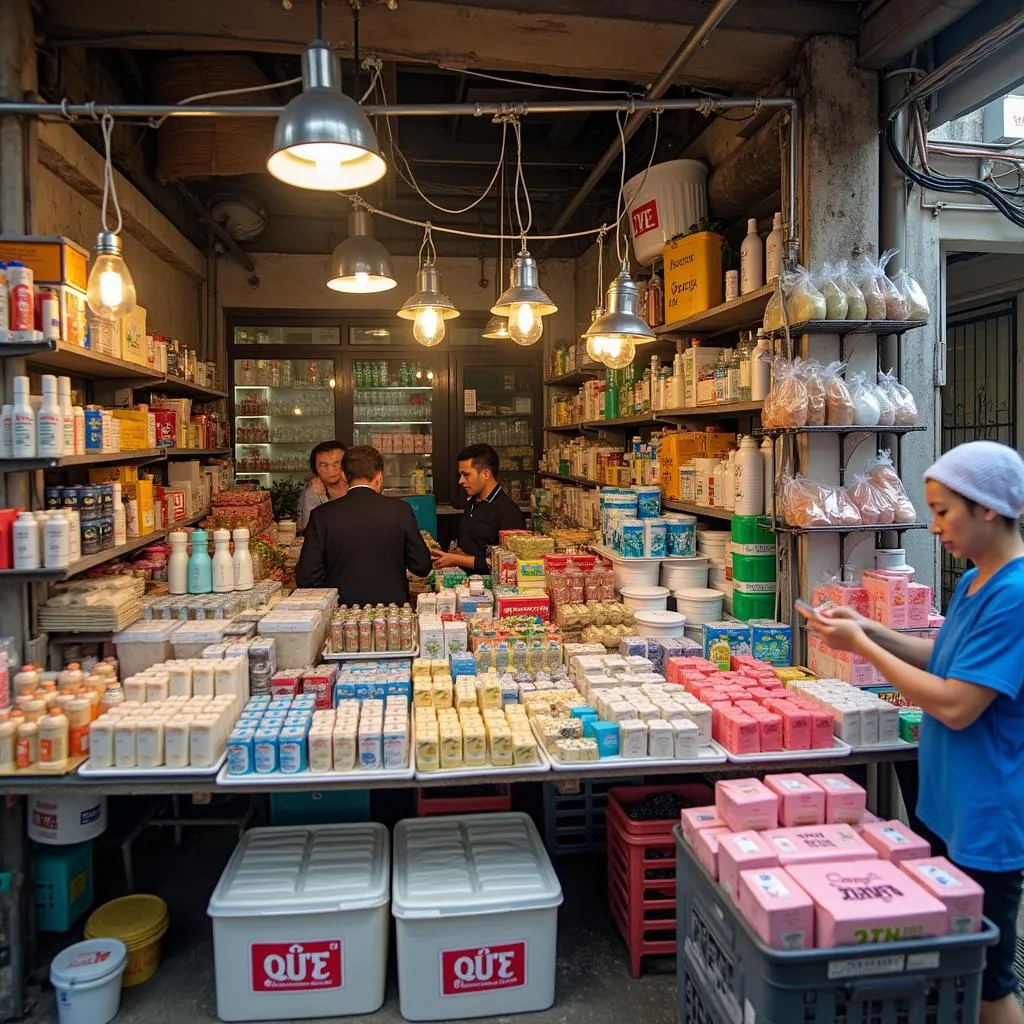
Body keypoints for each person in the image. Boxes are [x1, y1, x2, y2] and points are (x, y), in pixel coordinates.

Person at [800, 440, 1024, 1024]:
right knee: (953, 970)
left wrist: (864, 646)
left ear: (990, 509)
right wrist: (869, 625)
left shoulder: (1015, 597)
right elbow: (941, 657)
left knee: (990, 983)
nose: (933, 525)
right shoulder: (977, 582)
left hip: (986, 821)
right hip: (949, 806)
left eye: (945, 510)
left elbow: (955, 704)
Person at [296, 444, 432, 605]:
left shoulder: (322, 515)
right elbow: (422, 566)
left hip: (341, 611)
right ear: (379, 476)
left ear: (345, 476)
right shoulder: (401, 510)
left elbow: (306, 576)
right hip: (392, 611)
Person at [432, 443, 525, 572]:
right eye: (460, 475)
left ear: (485, 474)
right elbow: (472, 549)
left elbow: (509, 564)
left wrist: (456, 559)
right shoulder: (473, 501)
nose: (461, 481)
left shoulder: (509, 513)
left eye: (466, 475)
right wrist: (452, 555)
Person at [297, 440, 348, 531]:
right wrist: (312, 495)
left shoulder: (357, 486)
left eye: (336, 464)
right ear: (316, 469)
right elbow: (311, 531)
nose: (330, 470)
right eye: (323, 465)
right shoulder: (312, 493)